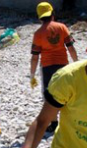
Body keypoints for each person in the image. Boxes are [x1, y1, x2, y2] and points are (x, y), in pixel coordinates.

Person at [30, 2, 78, 133]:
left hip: (47, 68)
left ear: (40, 17)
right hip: (63, 65)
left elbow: (35, 57)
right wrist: (76, 63)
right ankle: (70, 121)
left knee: (50, 95)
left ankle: (54, 123)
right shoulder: (62, 27)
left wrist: (32, 75)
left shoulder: (38, 34)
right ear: (52, 14)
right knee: (67, 92)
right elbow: (71, 47)